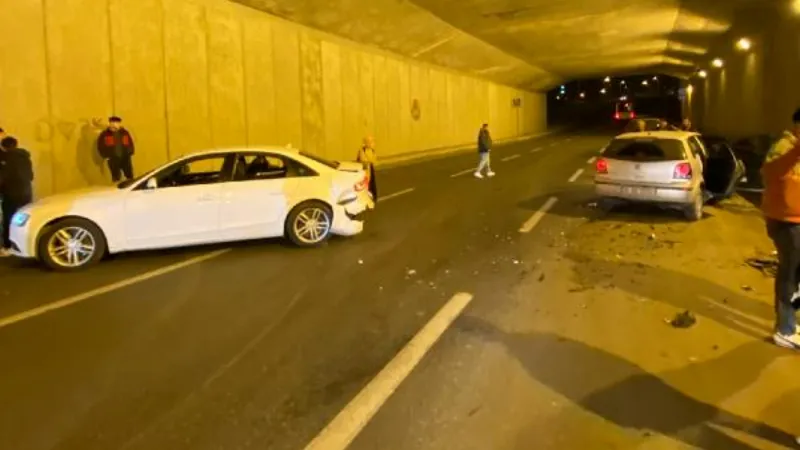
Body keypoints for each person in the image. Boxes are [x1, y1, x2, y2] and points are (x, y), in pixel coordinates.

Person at [761, 108, 800, 348]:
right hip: (786, 221)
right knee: (790, 273)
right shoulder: (784, 146)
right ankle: (785, 329)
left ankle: (792, 320)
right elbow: (769, 172)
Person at [0, 136, 33, 256]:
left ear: (3, 147)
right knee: (25, 219)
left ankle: (8, 246)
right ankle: (26, 244)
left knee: (9, 219)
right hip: (26, 192)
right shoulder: (25, 157)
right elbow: (31, 175)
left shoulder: (6, 159)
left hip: (11, 193)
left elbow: (3, 177)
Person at [97, 116, 135, 183]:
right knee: (116, 176)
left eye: (116, 122)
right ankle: (116, 189)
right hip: (113, 158)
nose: (114, 124)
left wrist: (130, 152)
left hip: (125, 157)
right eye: (113, 122)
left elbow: (130, 142)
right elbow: (100, 146)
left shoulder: (124, 132)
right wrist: (105, 156)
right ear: (110, 123)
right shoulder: (105, 134)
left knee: (129, 175)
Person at [357, 136, 378, 201]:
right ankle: (364, 197)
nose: (371, 143)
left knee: (372, 183)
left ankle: (373, 197)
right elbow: (363, 160)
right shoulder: (362, 150)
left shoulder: (372, 150)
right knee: (365, 184)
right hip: (365, 169)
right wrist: (369, 160)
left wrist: (370, 160)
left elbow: (374, 160)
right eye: (370, 142)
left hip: (371, 168)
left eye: (371, 141)